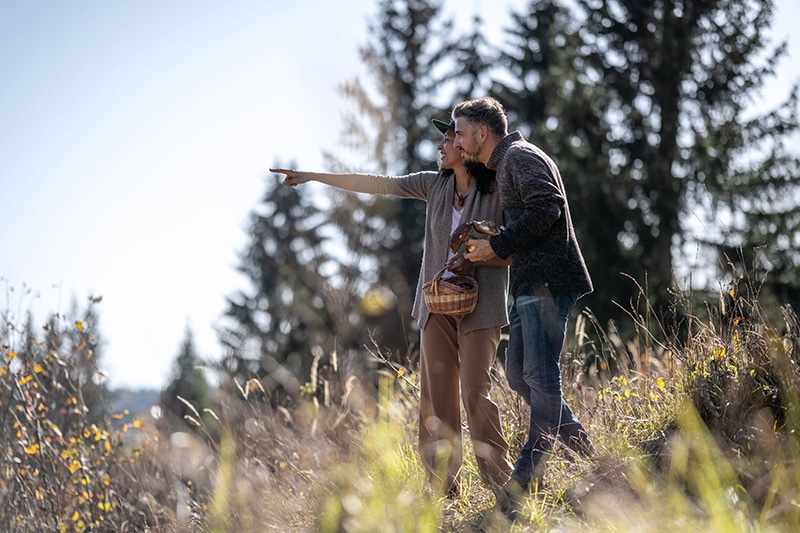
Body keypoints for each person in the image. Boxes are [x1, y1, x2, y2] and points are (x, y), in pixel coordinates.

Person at [270, 118, 513, 497]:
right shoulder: (434, 185)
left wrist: (484, 255)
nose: (440, 147)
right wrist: (312, 176)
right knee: (436, 402)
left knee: (474, 394)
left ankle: (503, 486)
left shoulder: (496, 189)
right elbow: (378, 183)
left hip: (482, 307)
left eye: (447, 140)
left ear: (464, 148)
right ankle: (441, 491)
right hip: (435, 307)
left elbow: (513, 244)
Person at [453, 96, 594, 509]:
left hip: (546, 283)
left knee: (541, 376)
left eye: (461, 133)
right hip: (530, 284)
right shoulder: (510, 161)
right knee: (518, 375)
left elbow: (546, 207)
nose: (457, 141)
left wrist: (496, 245)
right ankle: (587, 453)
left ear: (482, 132)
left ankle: (523, 483)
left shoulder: (518, 156)